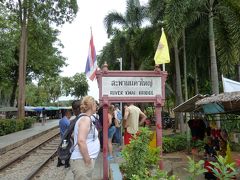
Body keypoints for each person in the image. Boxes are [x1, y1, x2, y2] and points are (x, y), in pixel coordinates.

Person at [70, 96, 100, 180]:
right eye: (95, 104)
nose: (96, 106)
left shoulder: (85, 118)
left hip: (82, 161)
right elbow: (81, 141)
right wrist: (87, 160)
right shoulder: (85, 119)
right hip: (82, 161)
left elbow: (74, 136)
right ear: (91, 105)